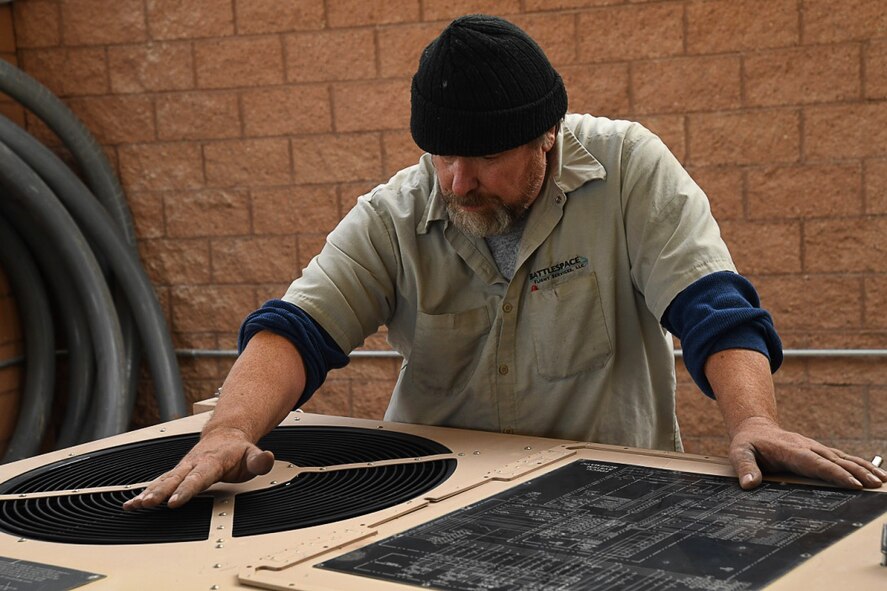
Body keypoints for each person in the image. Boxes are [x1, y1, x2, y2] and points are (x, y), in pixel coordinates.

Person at [124, 14, 885, 511]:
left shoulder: (627, 169)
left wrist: (751, 418)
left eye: (483, 157)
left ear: (546, 134)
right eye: (441, 156)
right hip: (433, 493)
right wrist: (227, 428)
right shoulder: (398, 209)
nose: (457, 182)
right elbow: (298, 327)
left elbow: (710, 303)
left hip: (613, 491)